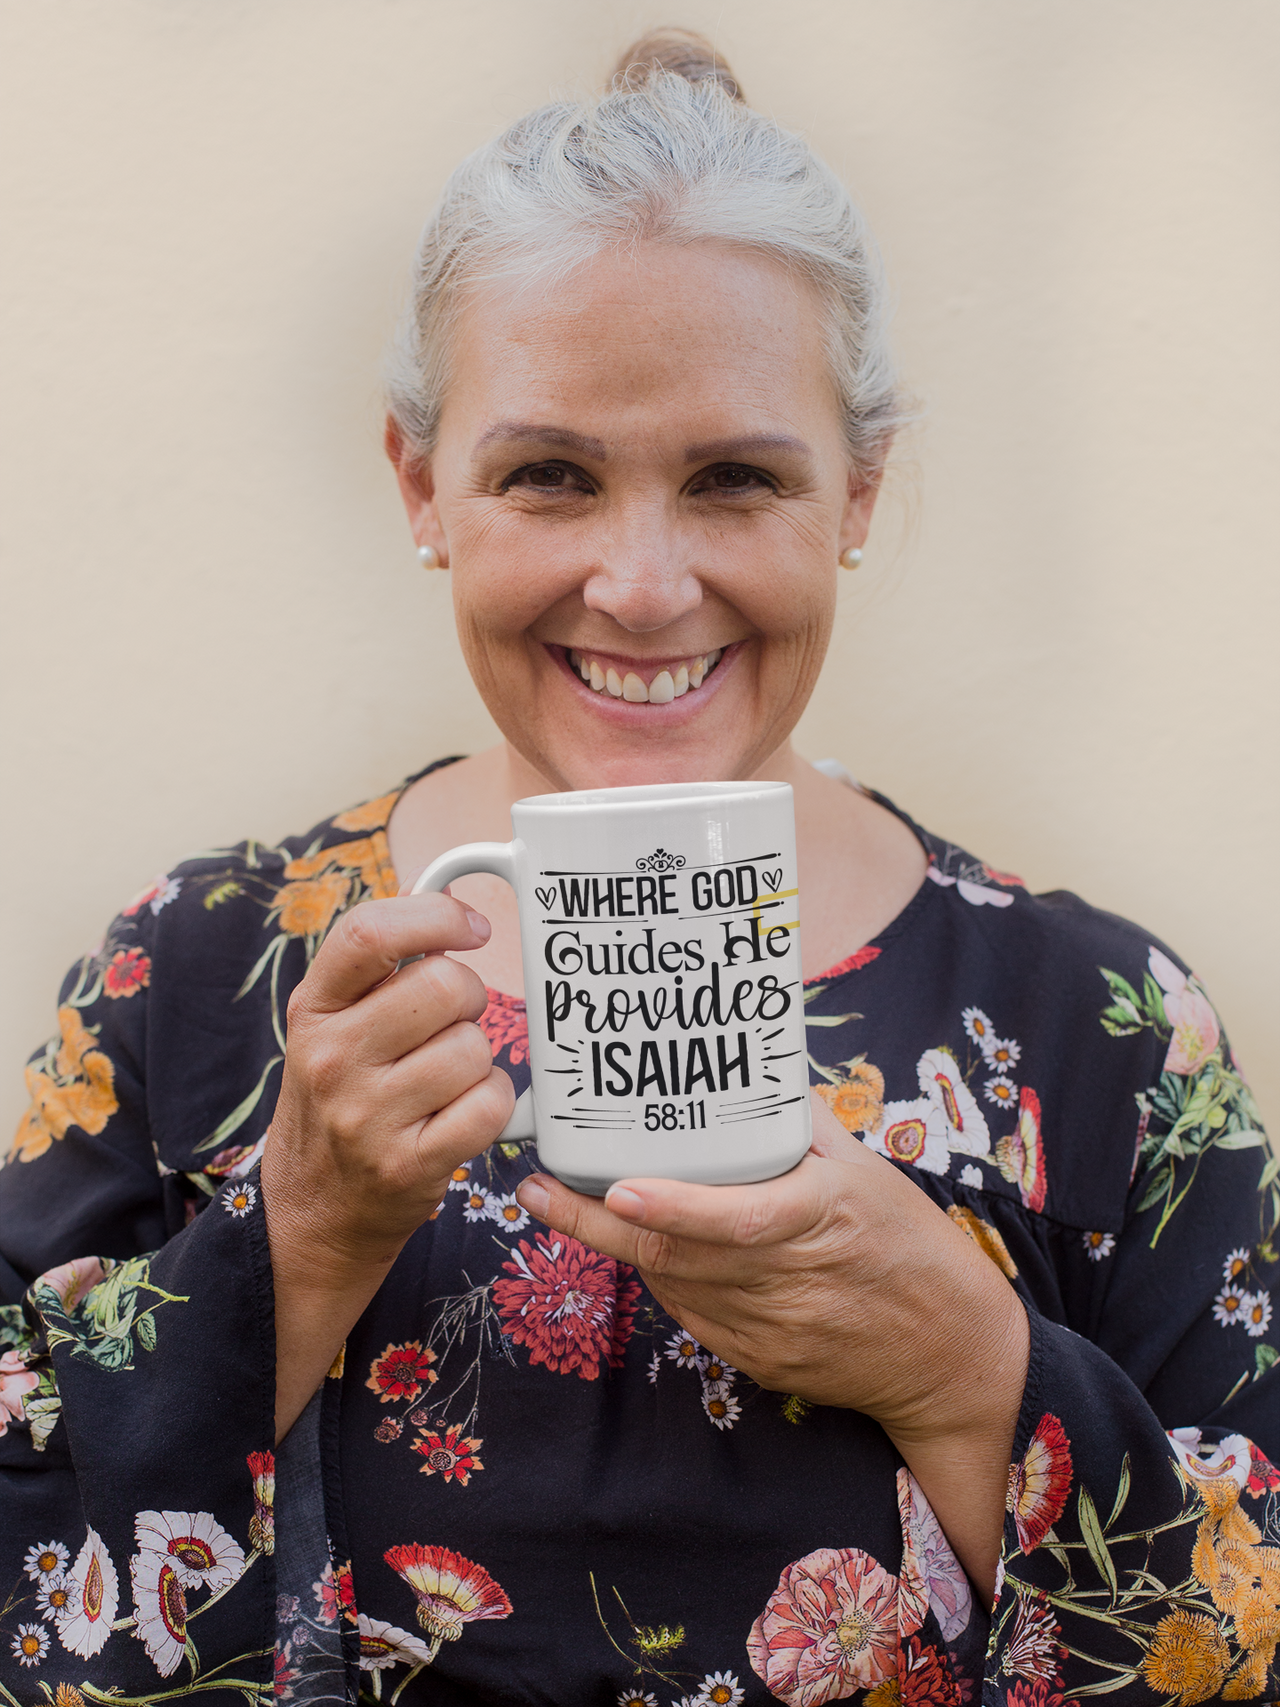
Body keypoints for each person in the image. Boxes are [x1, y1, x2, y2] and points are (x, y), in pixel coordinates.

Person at [1, 30, 1276, 1706]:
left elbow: (1243, 1634)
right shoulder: (203, 973)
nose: (646, 583)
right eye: (550, 475)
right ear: (422, 484)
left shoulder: (1098, 1025)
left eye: (737, 477)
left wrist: (968, 1368)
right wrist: (296, 1232)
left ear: (859, 492)